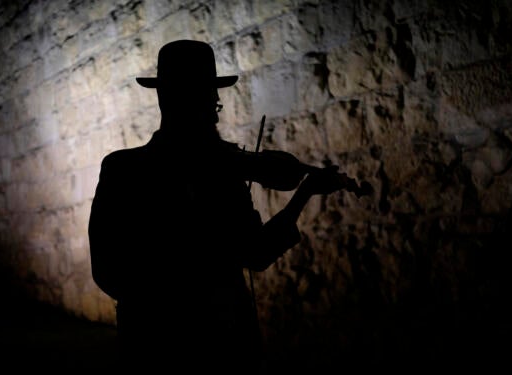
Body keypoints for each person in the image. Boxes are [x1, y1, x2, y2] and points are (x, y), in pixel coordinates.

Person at [87, 39, 353, 374]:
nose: (215, 106)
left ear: (161, 97)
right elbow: (257, 254)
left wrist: (152, 308)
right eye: (211, 101)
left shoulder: (123, 168)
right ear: (193, 102)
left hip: (151, 348)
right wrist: (303, 195)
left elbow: (107, 271)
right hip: (223, 344)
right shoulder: (221, 171)